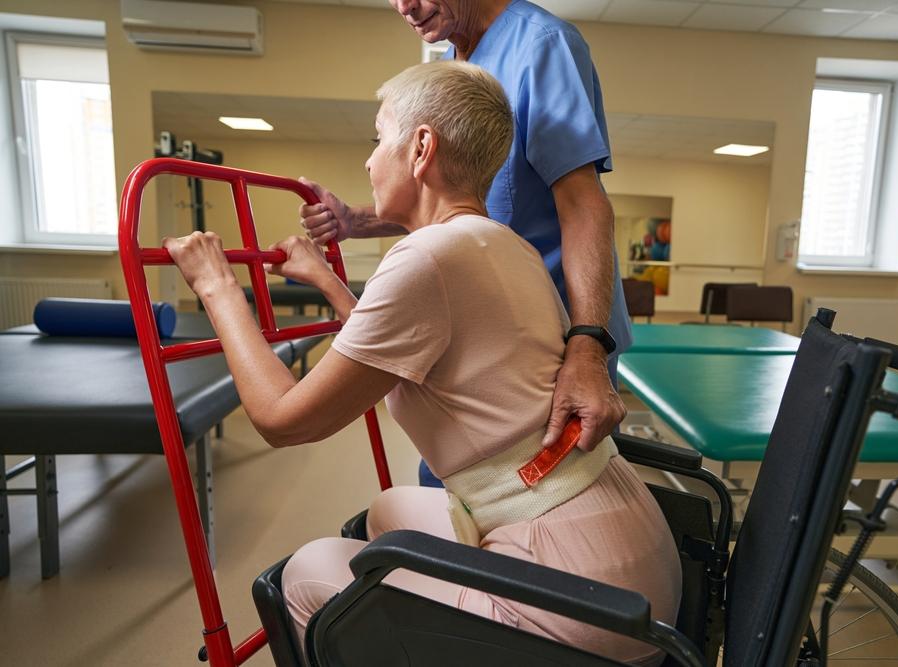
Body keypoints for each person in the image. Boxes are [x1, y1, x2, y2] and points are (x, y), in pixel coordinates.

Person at [165, 61, 680, 665]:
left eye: (379, 137)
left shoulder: (427, 259)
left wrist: (218, 288)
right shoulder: (501, 243)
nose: (368, 160)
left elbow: (284, 420)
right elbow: (413, 343)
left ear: (420, 147)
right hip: (634, 561)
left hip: (584, 607)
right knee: (391, 510)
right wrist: (331, 283)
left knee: (308, 574)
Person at [298, 0, 631, 486]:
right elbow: (455, 203)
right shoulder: (457, 61)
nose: (405, 6)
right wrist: (354, 221)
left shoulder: (540, 46)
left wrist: (587, 347)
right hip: (475, 332)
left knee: (512, 503)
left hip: (544, 341)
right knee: (452, 491)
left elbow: (582, 204)